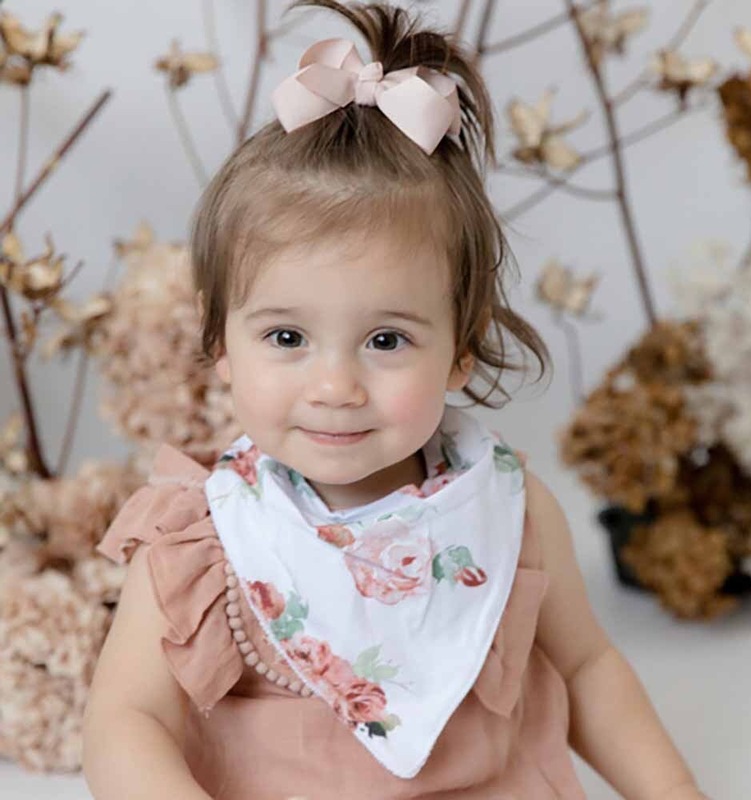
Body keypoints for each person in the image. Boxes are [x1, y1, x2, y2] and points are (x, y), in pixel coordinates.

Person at [82, 2, 710, 798]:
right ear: (221, 347)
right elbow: (125, 721)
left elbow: (588, 668)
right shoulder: (203, 541)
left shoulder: (507, 512)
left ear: (461, 350)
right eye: (286, 336)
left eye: (386, 340)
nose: (335, 387)